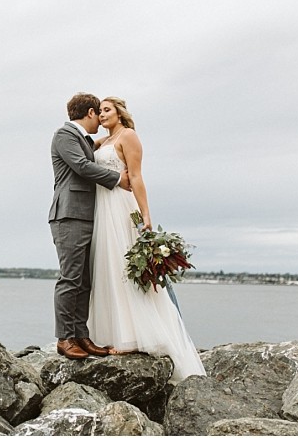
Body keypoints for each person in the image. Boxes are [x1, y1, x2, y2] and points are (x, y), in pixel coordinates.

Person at [87, 96, 206, 382]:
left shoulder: (128, 136)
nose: (101, 115)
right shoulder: (101, 143)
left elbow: (137, 177)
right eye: (99, 111)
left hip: (121, 207)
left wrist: (146, 216)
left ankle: (132, 337)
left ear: (119, 113)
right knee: (106, 266)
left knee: (125, 266)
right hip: (101, 210)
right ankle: (106, 333)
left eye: (107, 110)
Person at [49, 93, 130, 359]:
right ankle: (64, 338)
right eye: (100, 114)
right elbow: (82, 167)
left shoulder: (83, 139)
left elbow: (93, 152)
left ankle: (81, 335)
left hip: (86, 215)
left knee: (85, 281)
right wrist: (118, 178)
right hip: (69, 215)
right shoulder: (64, 135)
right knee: (70, 278)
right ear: (91, 112)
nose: (101, 120)